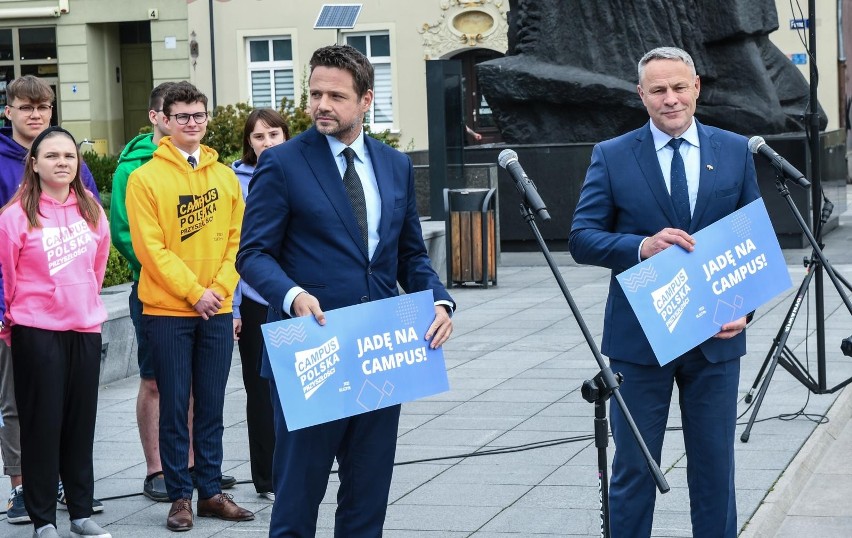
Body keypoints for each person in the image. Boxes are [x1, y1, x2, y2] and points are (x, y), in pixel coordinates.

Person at [236, 44, 455, 537]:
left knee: (366, 498)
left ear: (365, 100)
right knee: (297, 498)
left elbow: (410, 256)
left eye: (335, 95)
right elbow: (252, 254)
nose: (321, 105)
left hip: (379, 352)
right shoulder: (283, 163)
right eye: (315, 93)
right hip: (311, 350)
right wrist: (291, 294)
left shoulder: (395, 165)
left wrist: (439, 301)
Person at [568, 46, 760, 538]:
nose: (670, 99)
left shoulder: (735, 150)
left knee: (716, 472)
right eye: (658, 90)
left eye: (679, 87)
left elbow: (752, 239)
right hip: (640, 341)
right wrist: (641, 247)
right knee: (634, 471)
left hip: (716, 340)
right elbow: (581, 238)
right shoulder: (611, 156)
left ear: (696, 87)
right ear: (641, 95)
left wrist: (746, 309)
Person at [125, 81, 253, 532]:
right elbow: (150, 249)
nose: (193, 123)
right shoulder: (145, 179)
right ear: (163, 119)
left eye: (199, 115)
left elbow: (240, 240)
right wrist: (193, 292)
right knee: (176, 405)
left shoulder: (224, 176)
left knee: (213, 405)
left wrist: (217, 290)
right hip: (167, 311)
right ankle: (179, 497)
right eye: (183, 116)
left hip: (215, 310)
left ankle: (211, 491)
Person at [0, 75, 103, 526]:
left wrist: (81, 303)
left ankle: (81, 512)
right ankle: (42, 518)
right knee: (40, 428)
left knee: (80, 428)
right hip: (35, 330)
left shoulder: (91, 211)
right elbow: (6, 273)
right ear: (35, 164)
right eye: (52, 156)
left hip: (83, 327)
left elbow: (96, 269)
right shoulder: (14, 215)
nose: (62, 162)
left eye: (69, 156)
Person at [230, 108, 289, 501]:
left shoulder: (300, 170)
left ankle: (295, 466)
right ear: (248, 142)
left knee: (297, 387)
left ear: (286, 136)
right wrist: (234, 308)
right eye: (258, 136)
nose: (266, 143)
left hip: (298, 296)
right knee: (259, 389)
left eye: (273, 135)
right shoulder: (234, 181)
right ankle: (265, 478)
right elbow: (232, 246)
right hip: (253, 299)